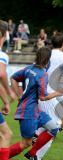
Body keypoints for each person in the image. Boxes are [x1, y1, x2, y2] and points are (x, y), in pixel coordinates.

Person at [9, 47, 62, 160]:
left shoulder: (29, 69)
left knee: (53, 128)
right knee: (26, 143)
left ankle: (32, 154)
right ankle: (2, 156)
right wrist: (58, 93)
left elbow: (13, 78)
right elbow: (43, 97)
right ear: (47, 60)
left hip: (35, 110)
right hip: (28, 112)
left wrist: (19, 96)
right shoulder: (42, 74)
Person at [0, 19, 17, 160]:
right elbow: (1, 73)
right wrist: (10, 92)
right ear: (5, 34)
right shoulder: (2, 55)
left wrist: (5, 101)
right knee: (6, 134)